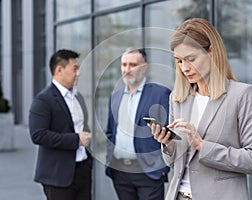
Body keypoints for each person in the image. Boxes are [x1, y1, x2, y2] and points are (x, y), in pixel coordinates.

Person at [149, 18, 252, 200]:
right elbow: (174, 163)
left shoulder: (242, 95)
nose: (184, 68)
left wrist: (203, 146)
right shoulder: (178, 98)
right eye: (179, 61)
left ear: (211, 52)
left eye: (191, 59)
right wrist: (168, 144)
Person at [105, 47, 171, 200]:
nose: (127, 69)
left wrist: (163, 166)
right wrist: (110, 159)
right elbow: (110, 131)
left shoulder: (160, 94)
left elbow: (168, 134)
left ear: (144, 67)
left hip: (148, 171)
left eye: (133, 65)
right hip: (120, 171)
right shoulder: (115, 96)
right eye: (124, 65)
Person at [29, 49, 93, 200]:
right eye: (74, 69)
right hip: (58, 177)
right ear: (59, 70)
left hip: (82, 171)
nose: (78, 73)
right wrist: (76, 140)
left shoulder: (77, 96)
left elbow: (82, 126)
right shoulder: (43, 100)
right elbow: (38, 135)